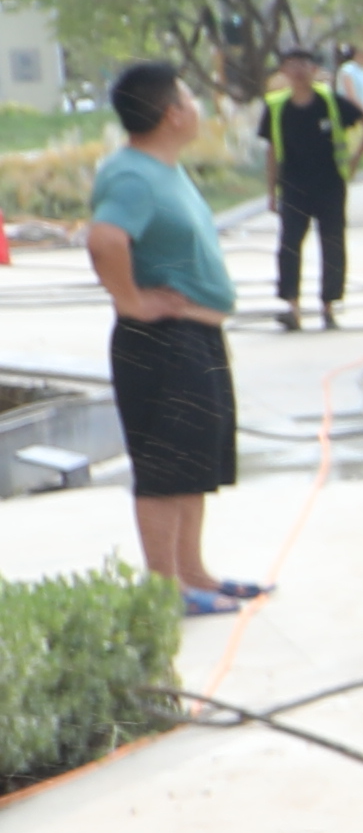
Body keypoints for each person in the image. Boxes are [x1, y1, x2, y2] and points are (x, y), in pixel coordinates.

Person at [80, 60, 256, 617]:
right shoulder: (132, 174)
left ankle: (193, 572)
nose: (198, 107)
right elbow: (106, 239)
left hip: (197, 336)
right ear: (171, 112)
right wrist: (131, 301)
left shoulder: (164, 168)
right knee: (166, 464)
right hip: (162, 341)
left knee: (194, 461)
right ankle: (165, 588)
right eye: (190, 97)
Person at [258, 51, 363, 330]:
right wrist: (271, 192)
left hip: (329, 184)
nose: (298, 71)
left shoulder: (329, 101)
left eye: (303, 65)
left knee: (332, 243)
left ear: (314, 69)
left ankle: (328, 306)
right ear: (283, 70)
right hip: (294, 186)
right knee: (289, 245)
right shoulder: (276, 106)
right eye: (291, 66)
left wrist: (354, 161)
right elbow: (271, 151)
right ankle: (292, 307)